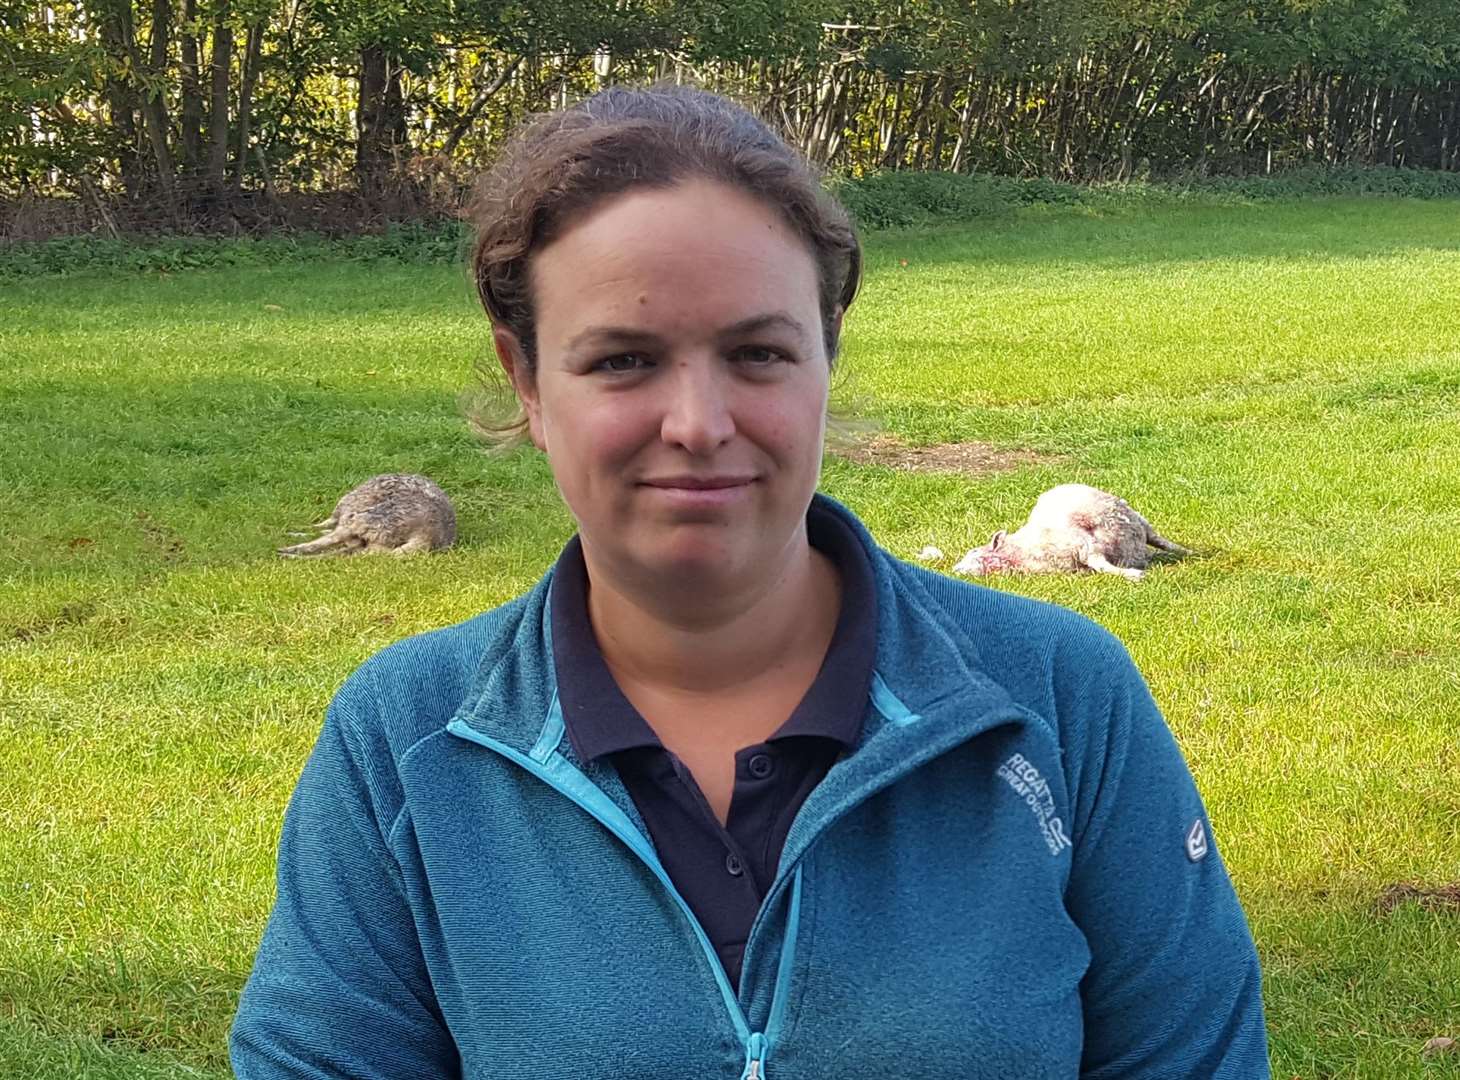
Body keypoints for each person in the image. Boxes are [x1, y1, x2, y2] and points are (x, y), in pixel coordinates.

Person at [230, 85, 1270, 1079]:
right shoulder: (405, 744)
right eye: (622, 361)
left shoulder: (1058, 700)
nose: (697, 423)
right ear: (526, 382)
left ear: (826, 356)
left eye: (757, 353)